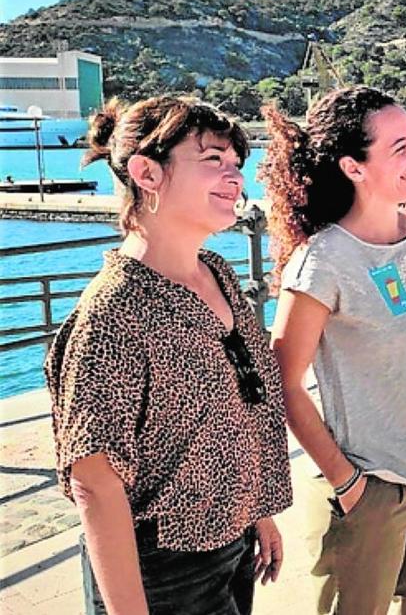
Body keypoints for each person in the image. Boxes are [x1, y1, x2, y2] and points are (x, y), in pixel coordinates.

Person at [45, 95, 291, 615]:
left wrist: (258, 512)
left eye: (235, 165)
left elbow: (238, 406)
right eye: (212, 161)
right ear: (147, 173)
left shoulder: (217, 273)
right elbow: (94, 483)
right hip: (162, 571)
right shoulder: (115, 313)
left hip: (231, 545)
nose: (234, 177)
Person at [260, 86, 406, 615]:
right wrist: (349, 484)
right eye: (400, 148)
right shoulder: (323, 261)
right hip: (368, 494)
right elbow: (283, 383)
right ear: (353, 167)